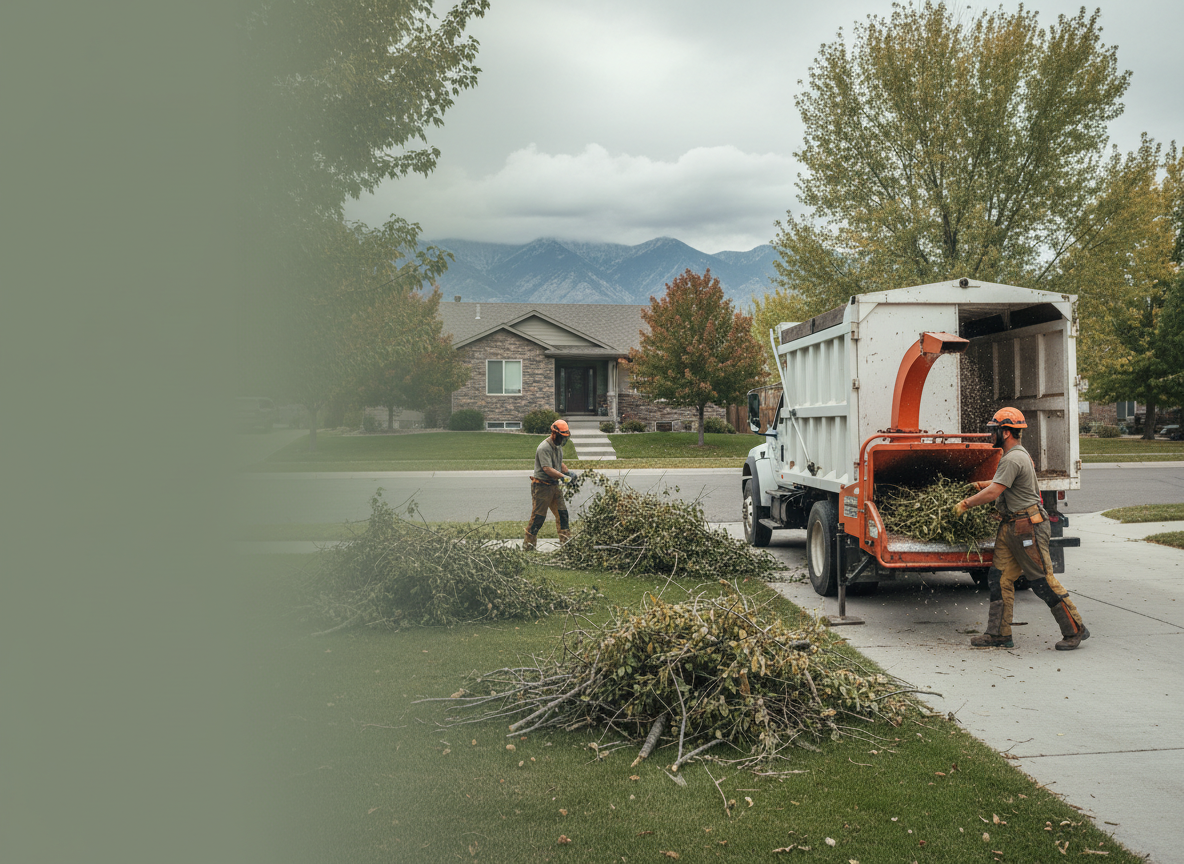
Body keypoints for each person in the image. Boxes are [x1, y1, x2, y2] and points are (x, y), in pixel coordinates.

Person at [953, 408, 1090, 650]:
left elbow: (995, 491)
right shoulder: (1011, 456)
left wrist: (966, 503)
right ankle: (998, 634)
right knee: (999, 578)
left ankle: (1075, 629)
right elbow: (999, 483)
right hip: (1010, 527)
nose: (989, 434)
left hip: (1028, 527)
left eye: (993, 430)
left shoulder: (1014, 457)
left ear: (1005, 432)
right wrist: (978, 485)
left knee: (1041, 581)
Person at [524, 419, 577, 551]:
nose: (563, 440)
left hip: (554, 486)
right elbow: (547, 468)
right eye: (561, 437)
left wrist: (568, 472)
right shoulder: (544, 448)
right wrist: (564, 478)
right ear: (554, 434)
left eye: (565, 438)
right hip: (542, 487)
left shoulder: (558, 446)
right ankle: (528, 547)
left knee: (563, 514)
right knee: (538, 518)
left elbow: (558, 464)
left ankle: (566, 545)